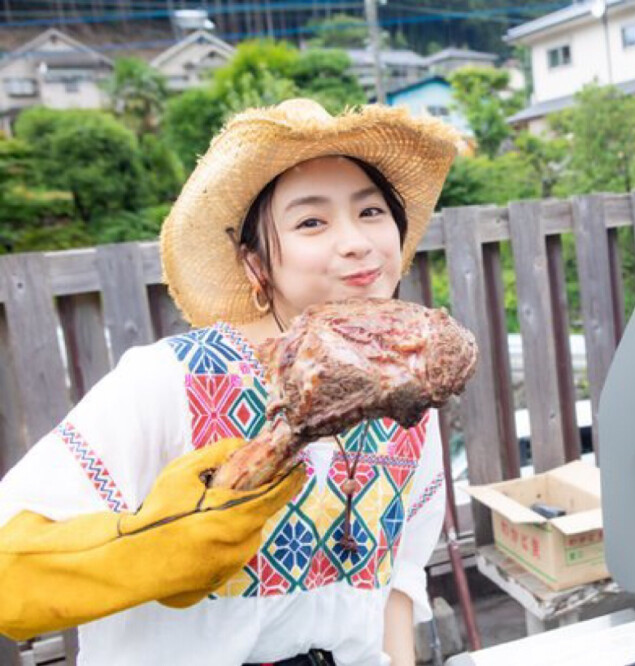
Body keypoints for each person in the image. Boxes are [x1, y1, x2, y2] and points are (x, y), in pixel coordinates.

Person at [0, 98, 461, 666]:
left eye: (370, 213)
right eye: (311, 221)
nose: (355, 242)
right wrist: (147, 545)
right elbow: (10, 558)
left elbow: (398, 579)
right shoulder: (169, 379)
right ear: (255, 264)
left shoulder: (404, 393)